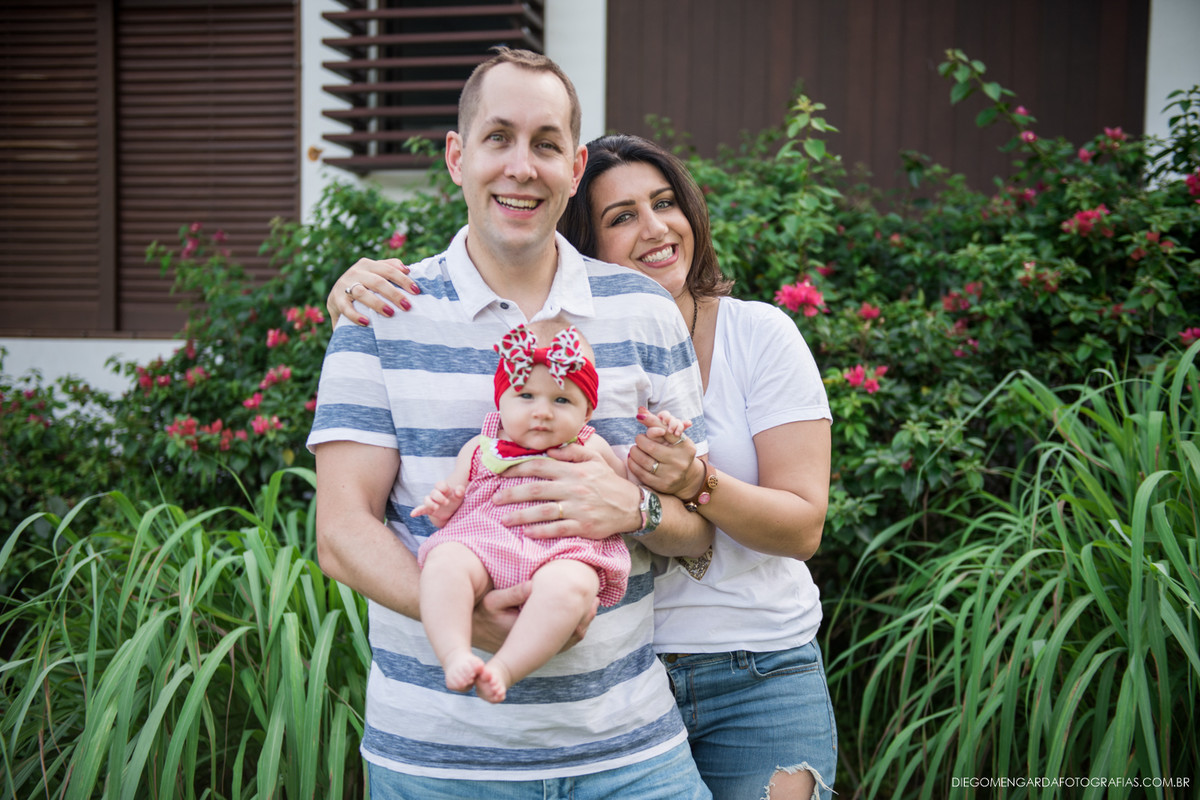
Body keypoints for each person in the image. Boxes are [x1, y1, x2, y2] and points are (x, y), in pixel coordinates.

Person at [328, 133, 837, 800]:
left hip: (751, 664)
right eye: (622, 217)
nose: (655, 229)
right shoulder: (557, 353)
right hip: (632, 670)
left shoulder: (752, 334)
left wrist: (681, 488)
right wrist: (356, 292)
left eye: (664, 204)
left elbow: (797, 527)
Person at [308, 49, 714, 798]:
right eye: (498, 138)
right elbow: (341, 532)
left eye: (546, 143)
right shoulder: (381, 313)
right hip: (440, 762)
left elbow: (699, 525)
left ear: (574, 165)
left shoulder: (646, 313)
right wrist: (468, 617)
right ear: (459, 157)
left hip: (629, 750)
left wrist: (640, 508)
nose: (521, 166)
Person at [415, 320, 675, 704]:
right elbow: (452, 500)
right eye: (526, 396)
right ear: (500, 401)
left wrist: (663, 439)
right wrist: (443, 504)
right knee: (444, 562)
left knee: (572, 588)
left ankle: (504, 668)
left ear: (587, 412)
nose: (542, 412)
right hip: (484, 545)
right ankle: (455, 652)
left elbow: (627, 493)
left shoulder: (593, 446)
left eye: (561, 400)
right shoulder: (481, 446)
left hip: (564, 552)